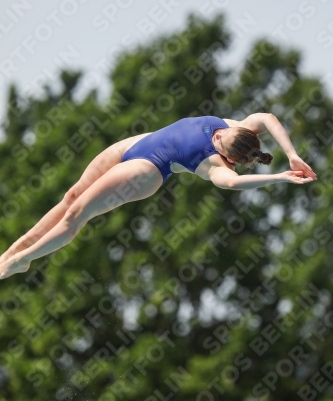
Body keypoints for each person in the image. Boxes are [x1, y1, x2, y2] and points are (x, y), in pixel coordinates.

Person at [0, 112, 317, 279]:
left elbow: (231, 185)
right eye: (222, 131)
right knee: (71, 196)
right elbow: (268, 118)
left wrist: (278, 177)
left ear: (228, 158)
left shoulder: (216, 166)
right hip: (139, 143)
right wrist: (291, 154)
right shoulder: (238, 128)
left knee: (76, 214)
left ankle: (20, 260)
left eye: (220, 141)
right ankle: (12, 253)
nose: (217, 133)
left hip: (145, 169)